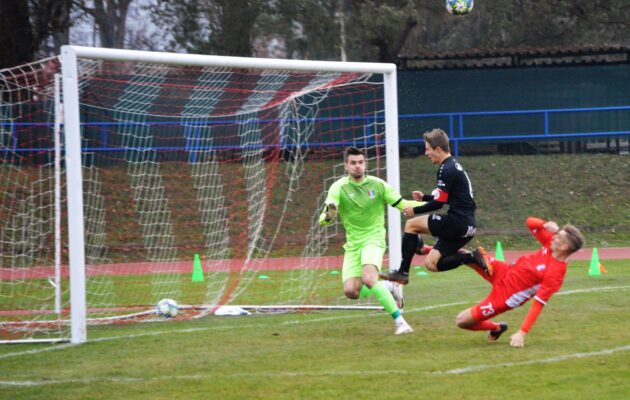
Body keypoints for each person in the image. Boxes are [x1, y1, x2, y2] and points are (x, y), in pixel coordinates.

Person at [319, 146, 413, 335]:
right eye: (353, 163)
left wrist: (435, 203)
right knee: (351, 291)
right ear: (346, 166)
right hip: (353, 245)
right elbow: (324, 219)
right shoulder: (338, 187)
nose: (358, 166)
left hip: (374, 239)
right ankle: (388, 286)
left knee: (369, 278)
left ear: (365, 164)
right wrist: (328, 216)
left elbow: (404, 205)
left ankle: (401, 322)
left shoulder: (378, 185)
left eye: (361, 162)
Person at [456, 217, 585, 347]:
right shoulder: (550, 243)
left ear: (564, 246)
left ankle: (496, 328)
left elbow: (538, 304)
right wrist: (545, 224)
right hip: (504, 271)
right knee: (464, 255)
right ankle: (434, 251)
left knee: (462, 321)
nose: (554, 236)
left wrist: (522, 332)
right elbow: (530, 222)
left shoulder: (555, 273)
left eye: (559, 236)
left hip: (505, 296)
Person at [380, 128, 487, 285]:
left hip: (457, 222)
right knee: (432, 263)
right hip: (468, 226)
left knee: (411, 225)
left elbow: (439, 203)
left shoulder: (446, 169)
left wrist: (413, 210)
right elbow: (448, 198)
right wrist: (425, 197)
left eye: (428, 149)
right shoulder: (454, 165)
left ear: (438, 149)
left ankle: (402, 272)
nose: (426, 153)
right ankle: (471, 257)